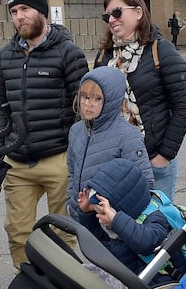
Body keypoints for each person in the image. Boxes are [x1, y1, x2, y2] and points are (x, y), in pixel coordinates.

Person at [0, 0, 89, 270]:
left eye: (25, 9)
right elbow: (0, 104)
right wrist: (1, 144)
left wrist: (75, 150)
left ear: (42, 12)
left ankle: (65, 288)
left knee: (63, 233)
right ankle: (28, 284)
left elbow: (83, 107)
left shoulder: (68, 52)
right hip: (18, 161)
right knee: (18, 232)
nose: (19, 16)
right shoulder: (5, 56)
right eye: (13, 11)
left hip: (58, 158)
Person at [94, 0, 186, 200]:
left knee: (155, 227)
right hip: (114, 161)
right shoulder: (105, 55)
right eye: (107, 15)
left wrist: (164, 155)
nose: (112, 20)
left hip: (152, 159)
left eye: (117, 12)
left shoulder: (161, 50)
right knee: (118, 226)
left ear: (138, 12)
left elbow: (183, 107)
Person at [77, 157, 186, 286]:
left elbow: (146, 242)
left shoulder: (155, 217)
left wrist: (116, 221)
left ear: (120, 210)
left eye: (102, 214)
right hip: (131, 281)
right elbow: (97, 239)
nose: (100, 218)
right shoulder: (112, 224)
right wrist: (86, 213)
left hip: (160, 283)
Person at [66, 66, 154, 221]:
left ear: (111, 100)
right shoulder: (76, 131)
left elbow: (144, 184)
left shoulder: (127, 135)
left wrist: (118, 218)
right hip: (82, 215)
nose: (89, 104)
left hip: (110, 219)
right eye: (84, 97)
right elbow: (72, 172)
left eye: (97, 98)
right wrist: (71, 203)